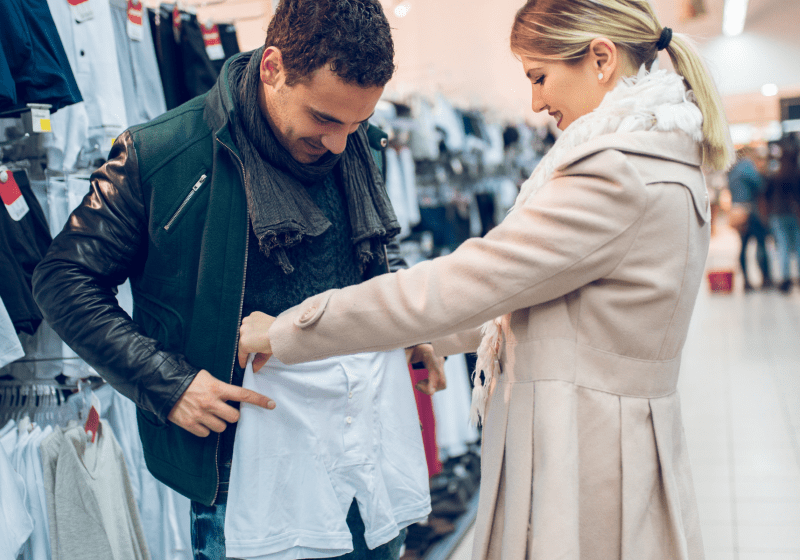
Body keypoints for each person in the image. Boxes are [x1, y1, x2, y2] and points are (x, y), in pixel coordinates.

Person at [238, 0, 735, 558]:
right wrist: (433, 341)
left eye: (539, 76)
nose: (536, 101)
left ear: (601, 59)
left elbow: (464, 282)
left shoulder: (617, 173)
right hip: (604, 441)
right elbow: (558, 305)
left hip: (584, 455)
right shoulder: (659, 159)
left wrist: (288, 331)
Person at [31, 1, 445, 559]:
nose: (340, 142)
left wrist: (400, 326)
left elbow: (370, 247)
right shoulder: (162, 153)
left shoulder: (354, 145)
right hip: (243, 473)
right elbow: (63, 278)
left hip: (362, 450)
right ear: (273, 66)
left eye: (357, 122)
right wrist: (167, 383)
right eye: (325, 118)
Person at [728, 145, 773, 290]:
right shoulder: (746, 166)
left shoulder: (733, 170)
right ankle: (766, 278)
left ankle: (746, 281)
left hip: (737, 211)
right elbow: (760, 184)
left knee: (743, 246)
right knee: (761, 243)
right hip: (750, 210)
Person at [764, 139, 800, 293]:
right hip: (794, 214)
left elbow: (766, 195)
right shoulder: (795, 174)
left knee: (783, 247)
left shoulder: (774, 174)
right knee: (798, 247)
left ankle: (785, 280)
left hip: (777, 215)